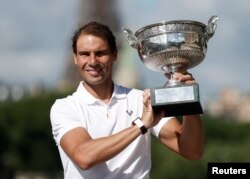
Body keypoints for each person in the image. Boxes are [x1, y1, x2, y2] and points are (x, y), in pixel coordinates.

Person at [50, 21, 204, 179]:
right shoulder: (64, 107)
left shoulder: (142, 99)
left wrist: (189, 101)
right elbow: (84, 156)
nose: (93, 61)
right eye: (84, 54)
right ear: (75, 58)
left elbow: (192, 151)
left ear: (115, 55)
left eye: (100, 53)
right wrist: (141, 125)